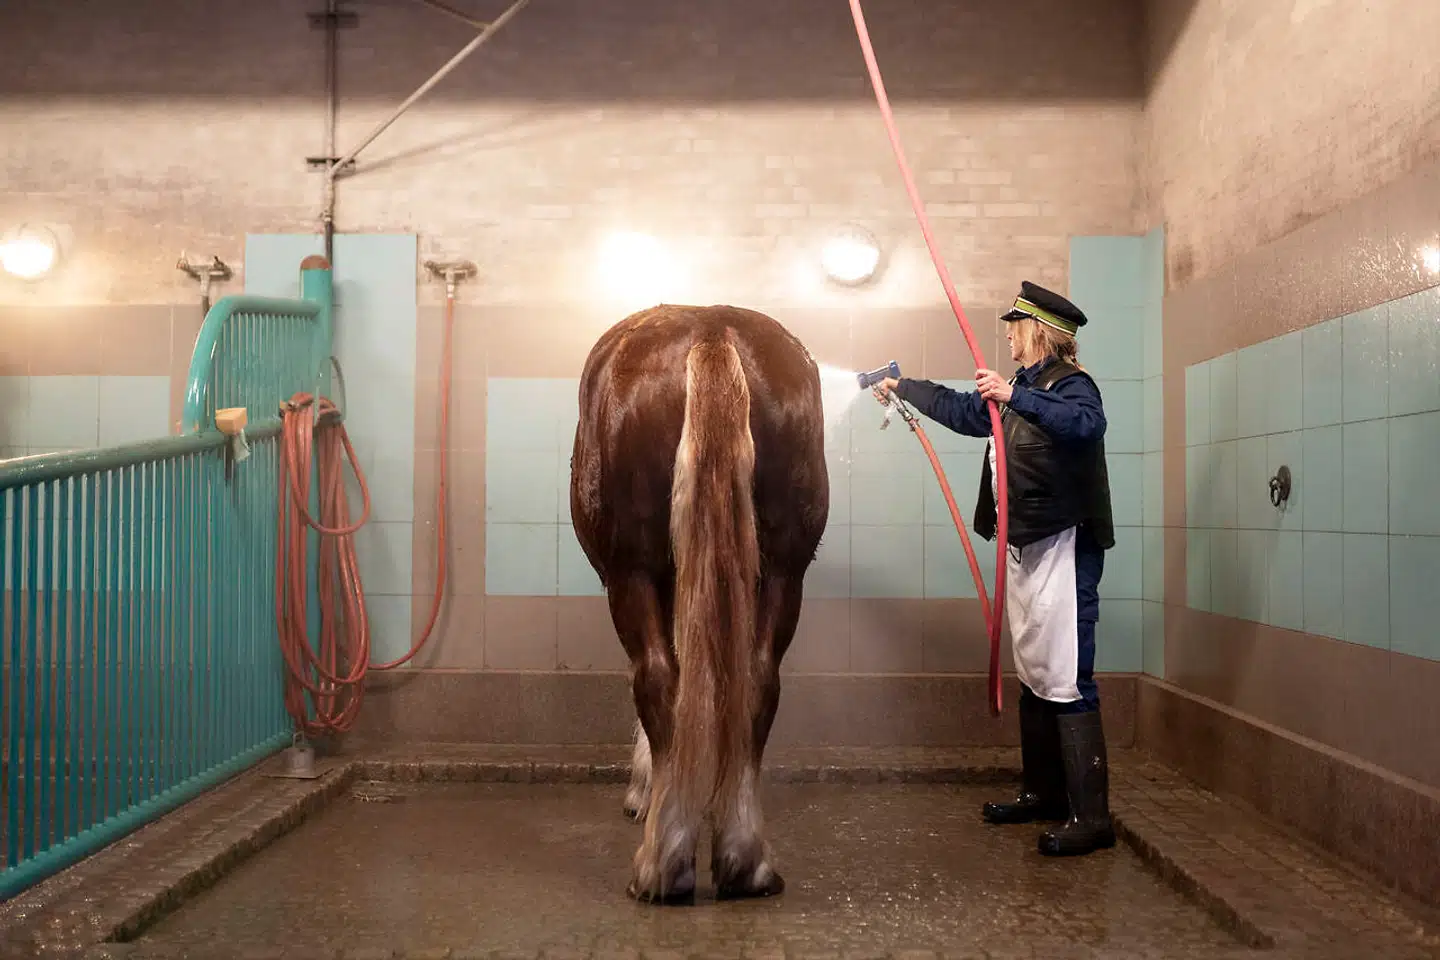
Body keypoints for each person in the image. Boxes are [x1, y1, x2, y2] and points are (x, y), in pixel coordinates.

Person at [873, 280, 1116, 857]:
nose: (1006, 335)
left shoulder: (1071, 386)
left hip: (1065, 547)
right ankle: (1042, 795)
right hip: (1024, 547)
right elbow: (963, 411)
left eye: (1014, 326)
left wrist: (1015, 397)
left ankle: (1092, 816)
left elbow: (1087, 426)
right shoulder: (1022, 387)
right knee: (1035, 670)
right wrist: (903, 386)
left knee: (1068, 673)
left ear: (1037, 331)